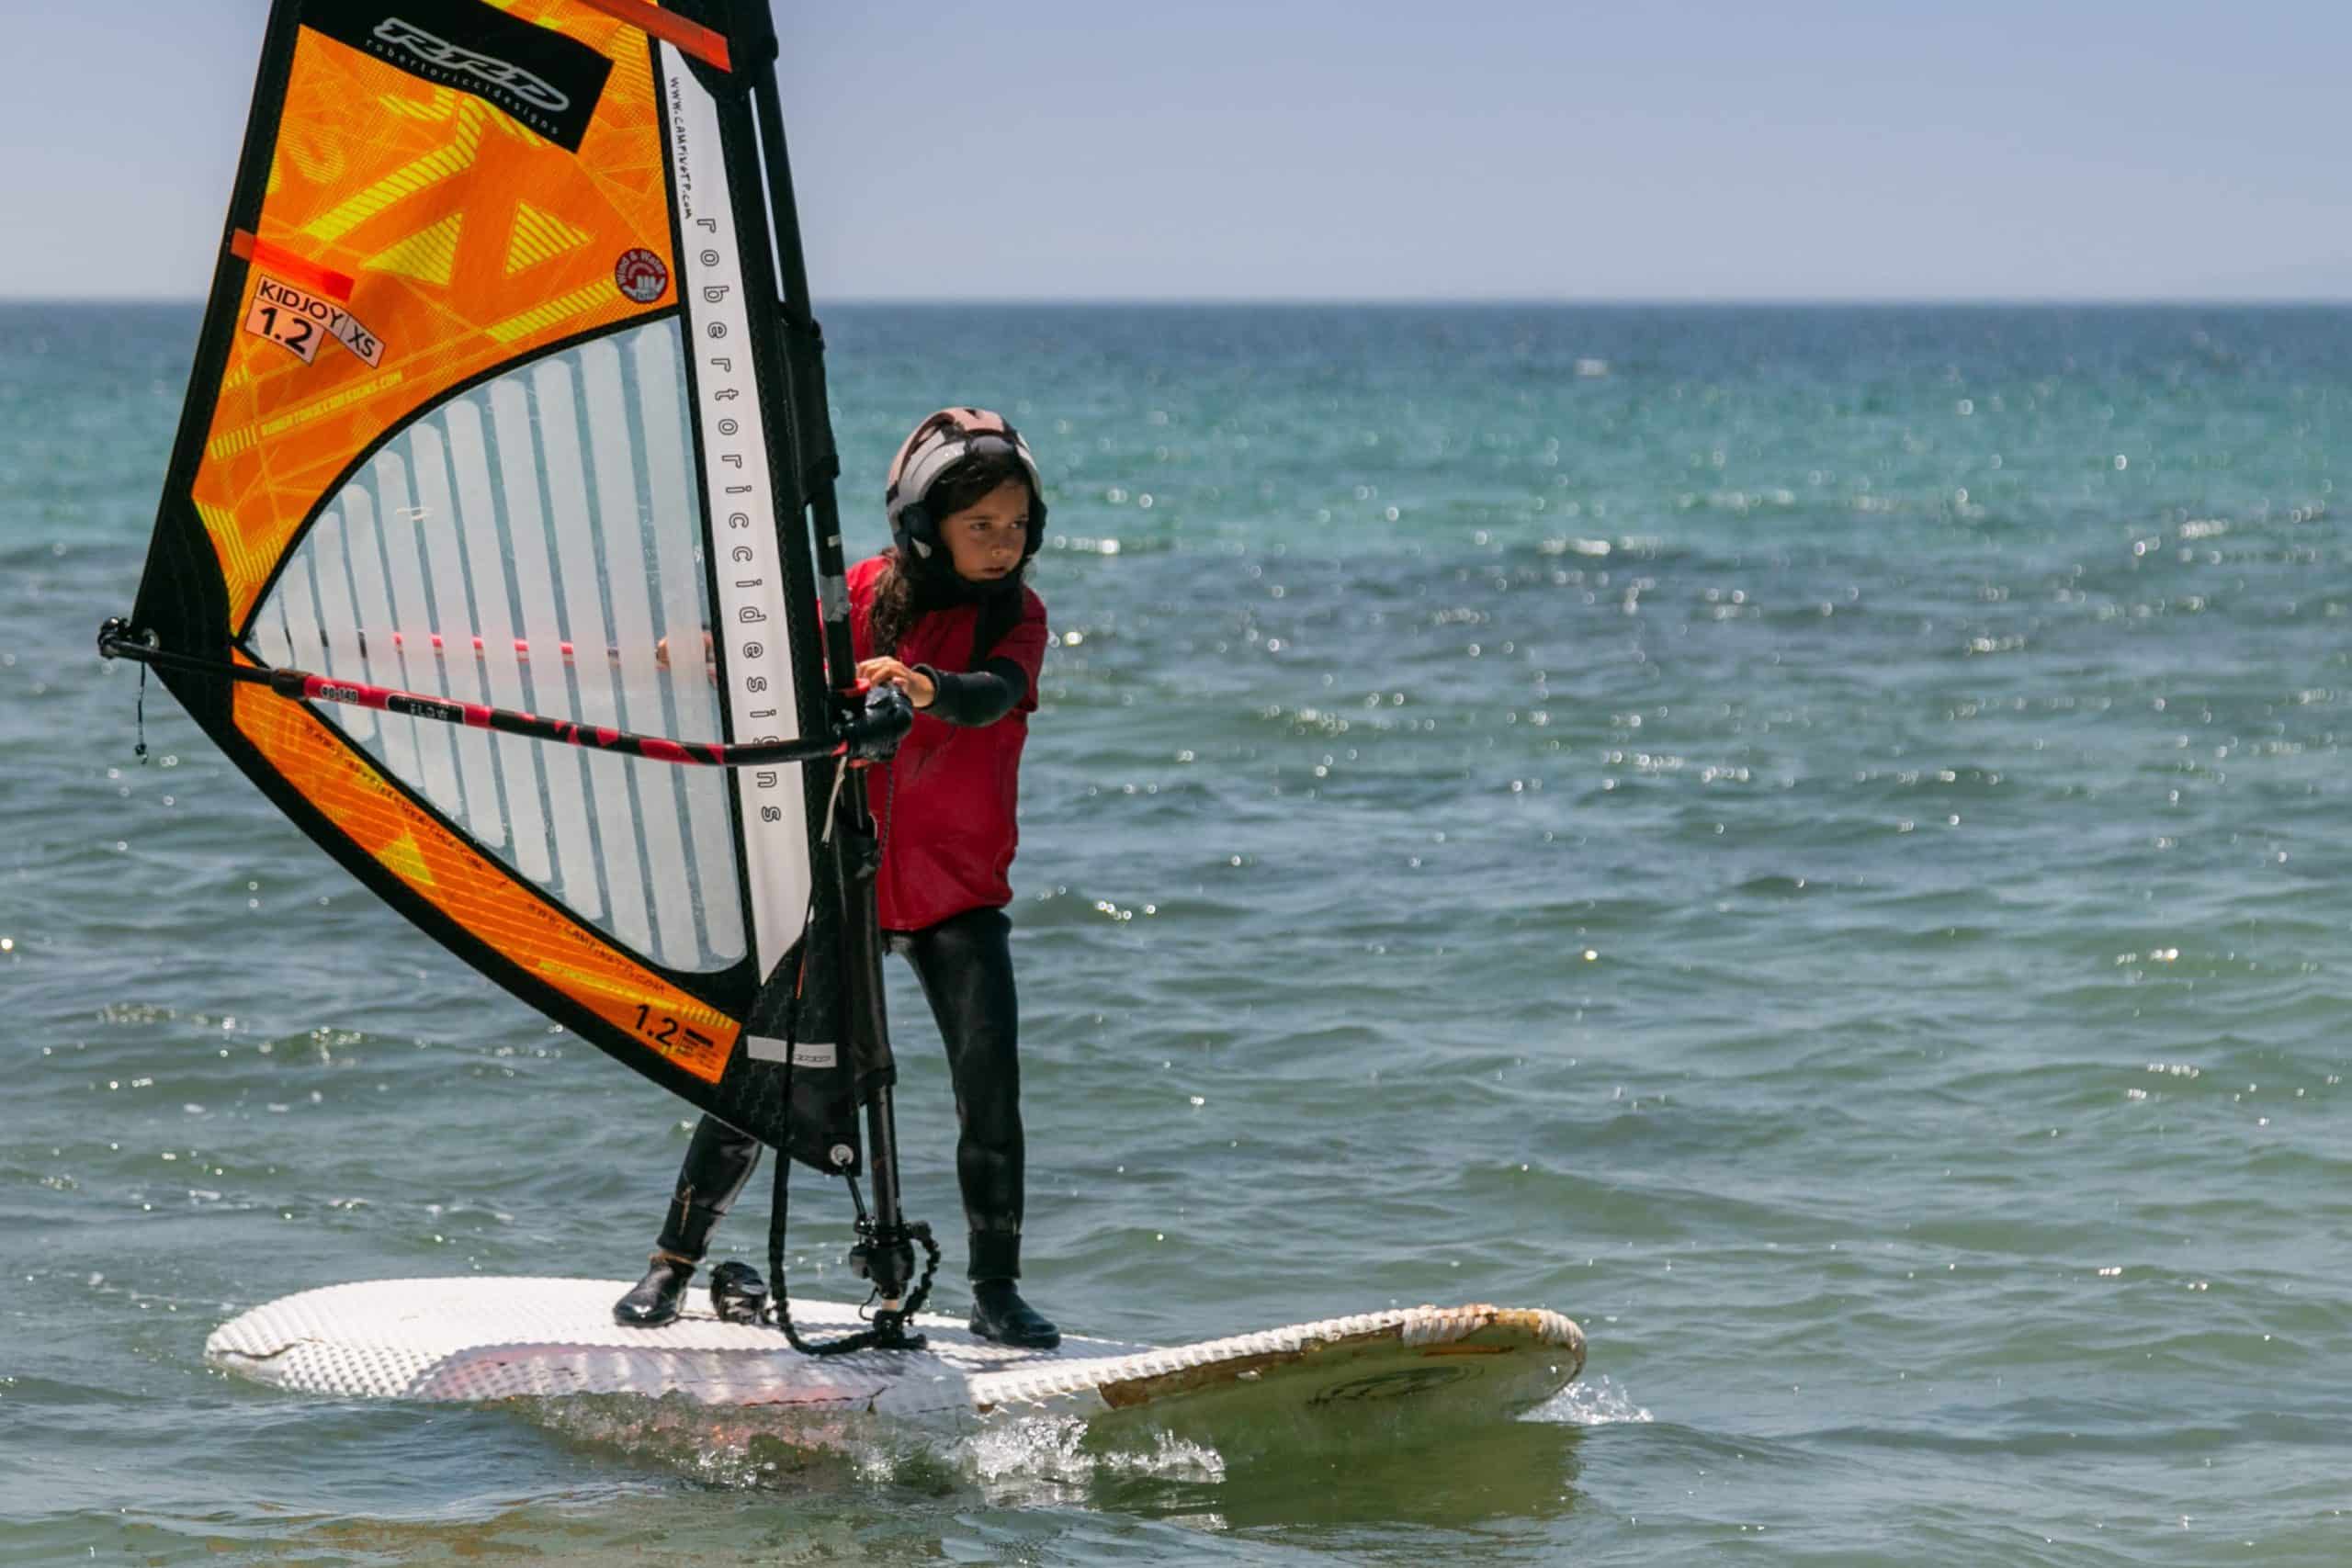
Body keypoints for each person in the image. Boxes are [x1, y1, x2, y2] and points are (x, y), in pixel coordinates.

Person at [613, 408, 1060, 1349]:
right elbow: (768, 651)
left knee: (991, 1086)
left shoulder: (1015, 617)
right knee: (764, 1073)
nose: (1001, 544)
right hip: (844, 881)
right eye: (980, 525)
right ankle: (672, 1264)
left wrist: (931, 686)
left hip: (958, 894)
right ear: (920, 524)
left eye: (1016, 525)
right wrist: (707, 648)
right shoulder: (857, 596)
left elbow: (996, 695)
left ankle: (995, 1287)